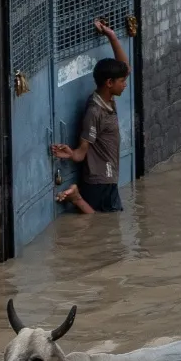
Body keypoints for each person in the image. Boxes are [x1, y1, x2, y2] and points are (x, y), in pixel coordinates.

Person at [51, 19, 128, 215]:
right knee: (106, 222)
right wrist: (71, 153)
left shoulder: (108, 100)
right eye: (122, 81)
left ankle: (77, 196)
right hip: (100, 179)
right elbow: (81, 152)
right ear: (109, 83)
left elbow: (124, 67)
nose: (125, 84)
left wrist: (111, 35)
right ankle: (76, 197)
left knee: (107, 221)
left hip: (108, 177)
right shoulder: (95, 111)